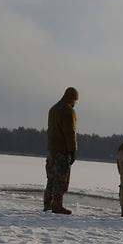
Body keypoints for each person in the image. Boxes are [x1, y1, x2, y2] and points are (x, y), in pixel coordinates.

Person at [44, 87, 78, 215]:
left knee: (51, 178)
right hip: (62, 151)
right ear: (73, 98)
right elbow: (70, 133)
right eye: (76, 101)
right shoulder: (68, 111)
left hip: (51, 150)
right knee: (61, 178)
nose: (76, 104)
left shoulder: (53, 109)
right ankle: (57, 206)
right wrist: (73, 150)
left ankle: (47, 203)